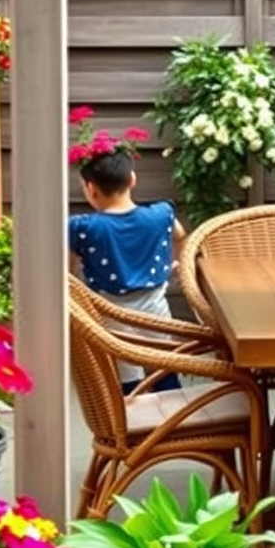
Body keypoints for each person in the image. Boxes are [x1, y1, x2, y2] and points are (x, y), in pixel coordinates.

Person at [67, 117, 186, 393]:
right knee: (164, 368)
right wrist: (177, 263)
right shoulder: (160, 214)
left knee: (126, 381)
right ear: (132, 179)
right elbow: (181, 236)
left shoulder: (83, 227)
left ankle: (131, 429)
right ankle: (174, 425)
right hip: (156, 307)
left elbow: (68, 273)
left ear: (91, 188)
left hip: (109, 311)